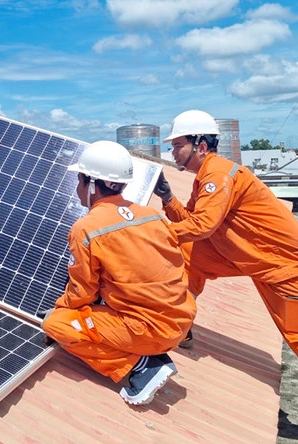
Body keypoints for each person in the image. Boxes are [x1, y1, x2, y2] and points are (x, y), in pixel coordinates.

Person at [154, 109, 298, 420]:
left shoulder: (218, 175)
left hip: (287, 271)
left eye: (178, 145)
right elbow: (191, 225)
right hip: (254, 260)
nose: (173, 152)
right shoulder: (206, 178)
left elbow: (202, 226)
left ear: (200, 146)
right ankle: (180, 326)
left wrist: (147, 231)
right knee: (191, 254)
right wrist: (169, 199)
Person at [41, 141, 196, 406]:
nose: (77, 189)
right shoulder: (151, 215)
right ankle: (146, 353)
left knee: (57, 324)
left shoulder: (86, 228)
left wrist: (56, 310)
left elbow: (82, 292)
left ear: (90, 183)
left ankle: (143, 366)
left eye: (79, 180)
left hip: (149, 329)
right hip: (183, 318)